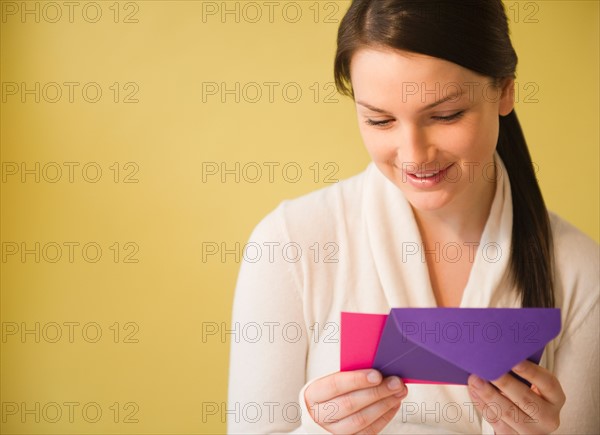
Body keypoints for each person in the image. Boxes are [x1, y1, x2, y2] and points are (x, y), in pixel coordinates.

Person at [227, 0, 599, 433]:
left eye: (445, 115)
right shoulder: (289, 245)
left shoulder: (580, 271)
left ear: (505, 91)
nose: (415, 155)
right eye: (379, 120)